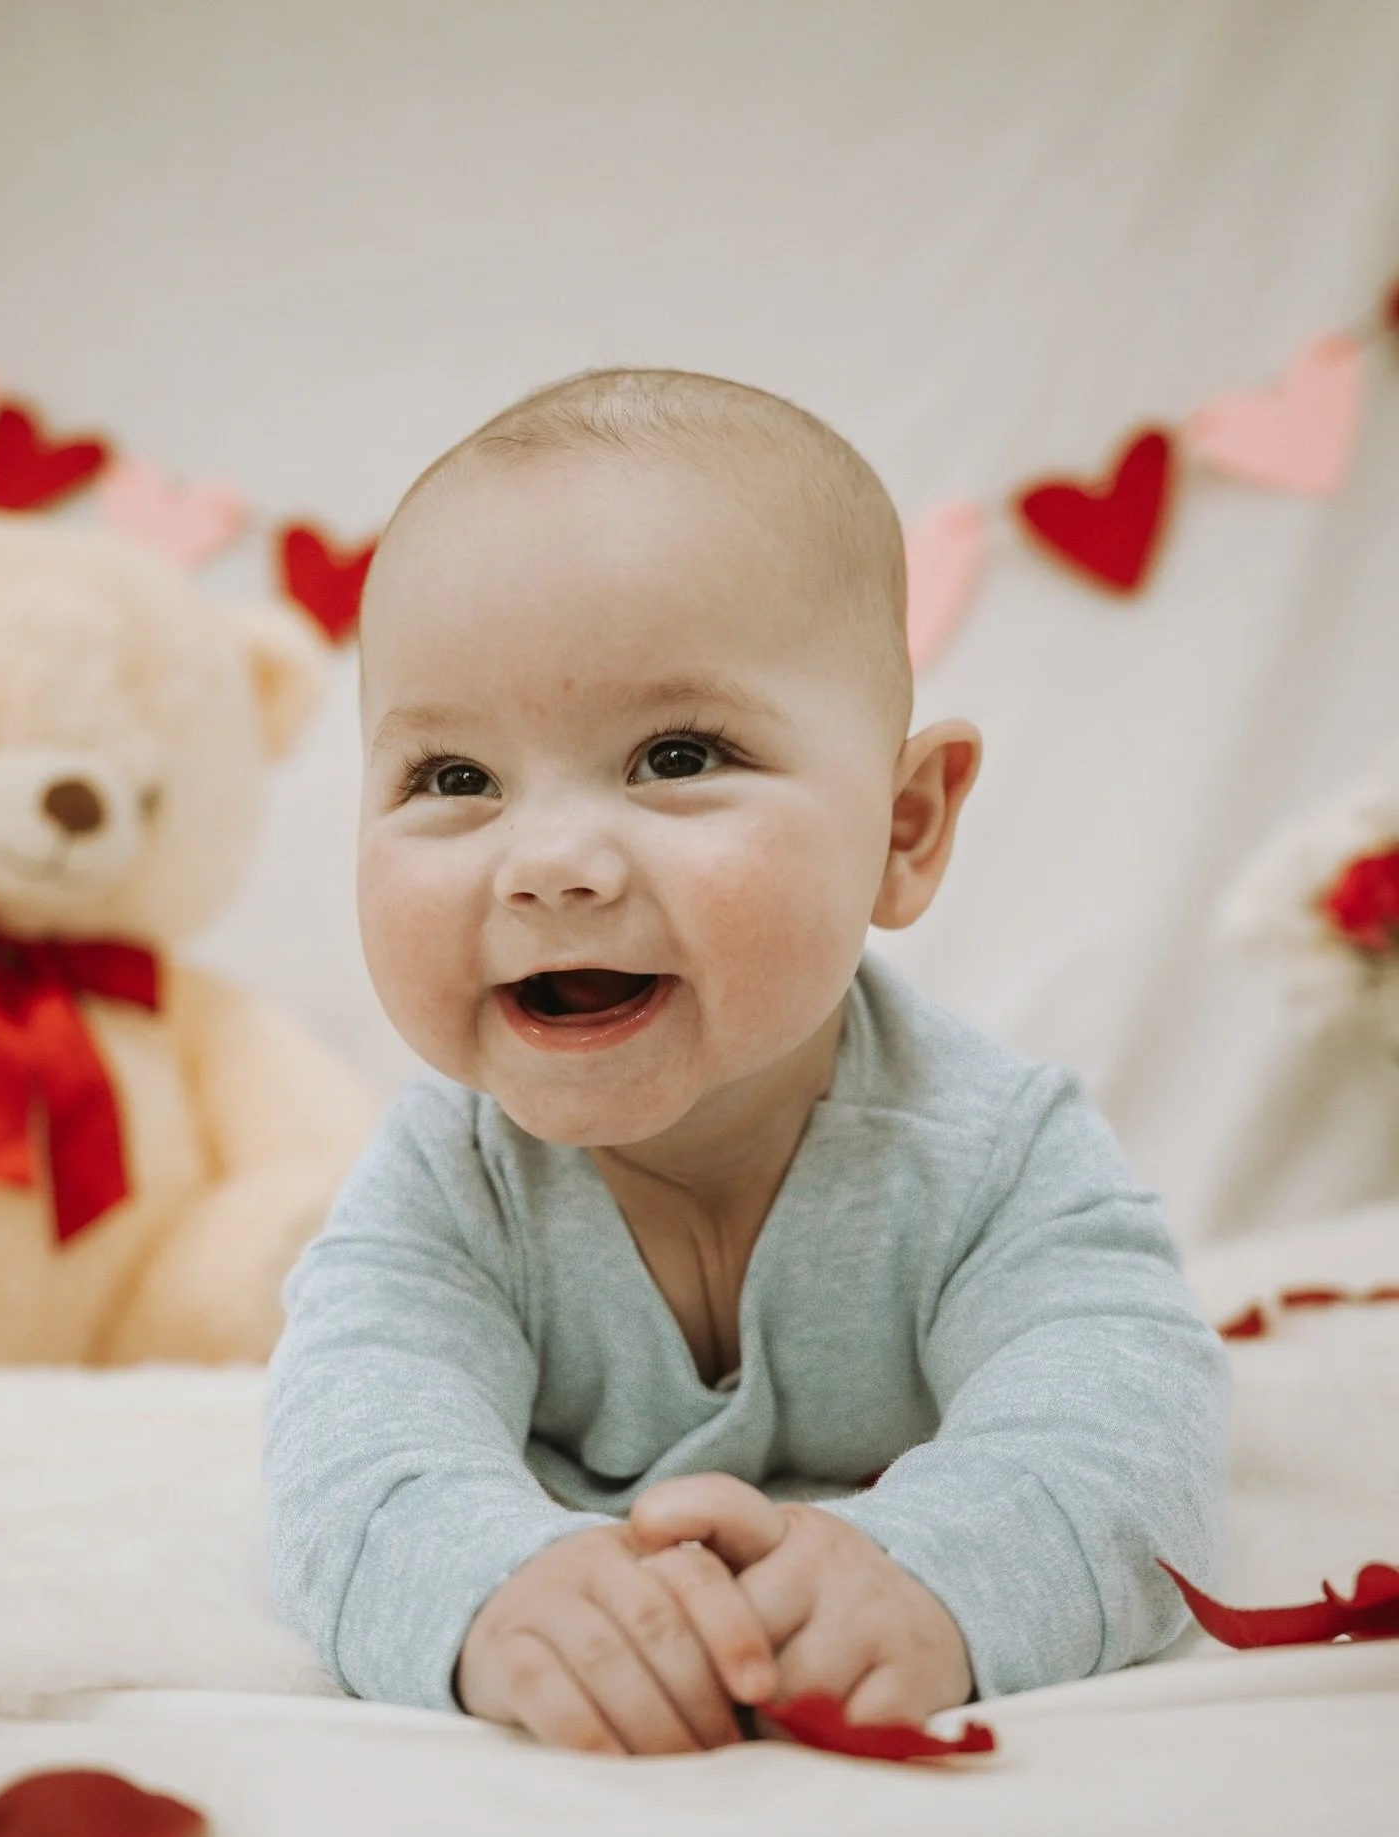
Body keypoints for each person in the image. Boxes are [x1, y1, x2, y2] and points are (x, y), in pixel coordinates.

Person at [263, 368, 1228, 1757]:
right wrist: (493, 1590)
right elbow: (348, 1457)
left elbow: (1126, 1421)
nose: (549, 865)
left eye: (675, 754)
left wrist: (935, 1574)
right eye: (452, 778)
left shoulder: (997, 1157)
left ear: (902, 828)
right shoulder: (446, 1187)